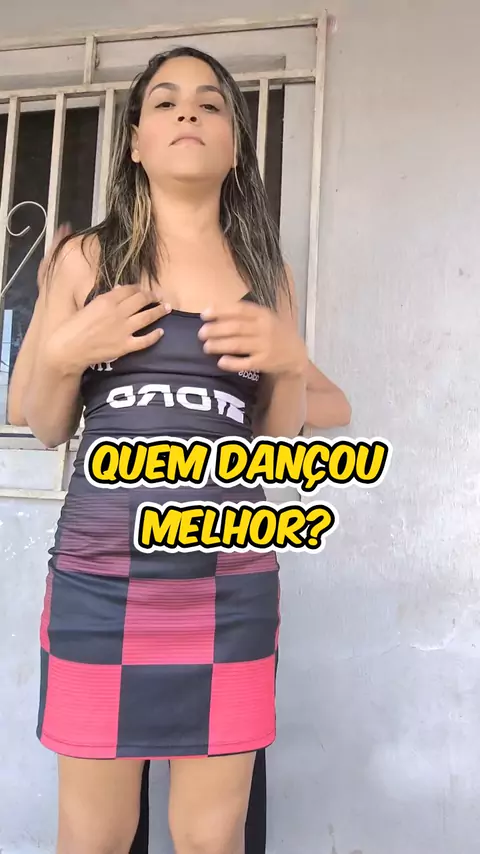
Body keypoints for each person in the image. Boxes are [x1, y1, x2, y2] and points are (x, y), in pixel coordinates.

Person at [9, 46, 351, 854]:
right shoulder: (85, 260)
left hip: (228, 590)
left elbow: (284, 436)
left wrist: (288, 363)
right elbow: (43, 421)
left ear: (234, 145)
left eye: (210, 102)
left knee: (209, 836)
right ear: (135, 142)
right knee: (93, 838)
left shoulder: (268, 277)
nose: (187, 111)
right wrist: (65, 350)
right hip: (99, 587)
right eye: (164, 102)